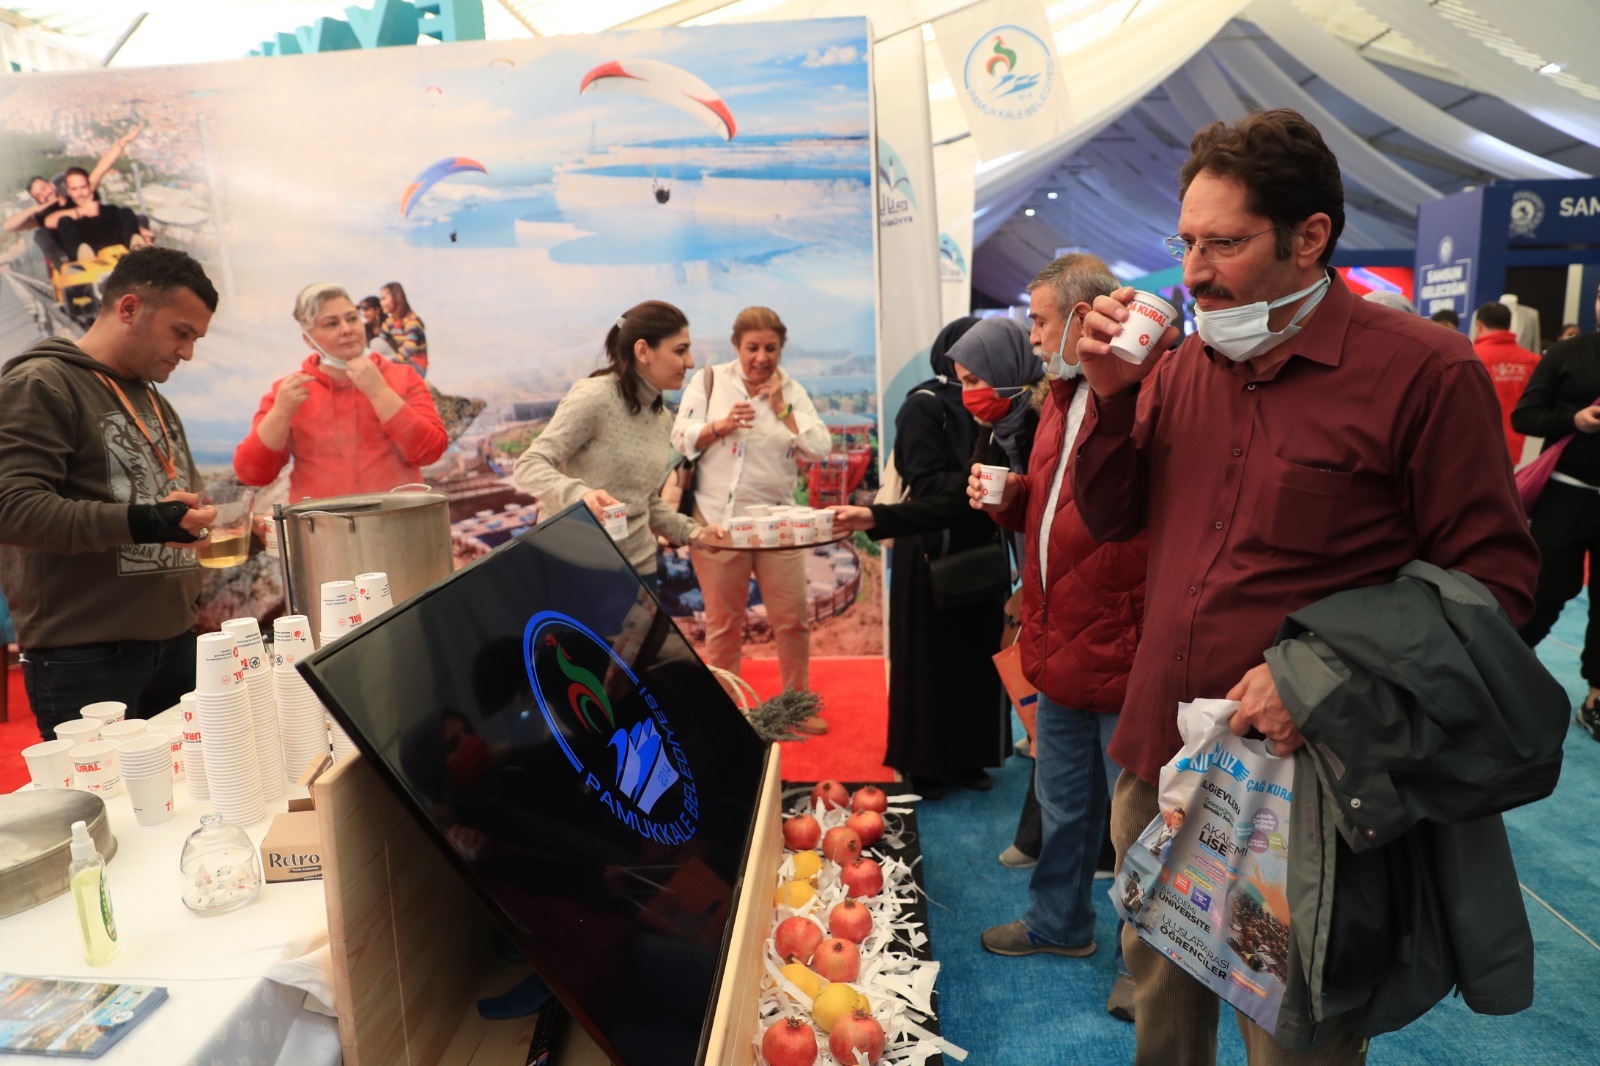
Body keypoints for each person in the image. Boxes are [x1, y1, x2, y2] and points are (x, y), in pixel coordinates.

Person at [1073, 109, 1537, 1064]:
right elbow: (1113, 518)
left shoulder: (1421, 371)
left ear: (1310, 236)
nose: (1194, 272)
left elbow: (1494, 585)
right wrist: (1108, 398)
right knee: (1161, 1017)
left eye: (1224, 244)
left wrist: (1316, 675)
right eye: (1187, 242)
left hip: (1303, 789)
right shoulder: (1182, 367)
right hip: (1160, 757)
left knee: (1295, 1042)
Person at [964, 254, 1147, 1023]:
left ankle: (1146, 966)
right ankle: (1058, 923)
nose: (1031, 337)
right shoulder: (1059, 399)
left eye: (1040, 321)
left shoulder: (1147, 398)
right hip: (1060, 638)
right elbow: (1053, 506)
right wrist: (1012, 499)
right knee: (1063, 803)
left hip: (1123, 644)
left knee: (1139, 824)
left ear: (1081, 318)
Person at [0, 247, 219, 739]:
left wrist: (213, 529)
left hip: (177, 643)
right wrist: (145, 522)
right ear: (129, 308)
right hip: (86, 659)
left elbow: (182, 509)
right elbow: (10, 508)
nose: (187, 352)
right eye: (181, 333)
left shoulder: (154, 399)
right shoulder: (41, 383)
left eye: (195, 339)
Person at [831, 316, 1040, 797]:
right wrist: (875, 517)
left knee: (979, 664)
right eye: (964, 378)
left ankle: (973, 757)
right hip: (932, 554)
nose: (970, 391)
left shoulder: (1039, 417)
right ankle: (926, 763)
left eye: (976, 377)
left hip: (995, 558)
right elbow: (945, 494)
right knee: (929, 668)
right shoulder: (952, 413)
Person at [670, 307, 831, 711]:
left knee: (792, 619)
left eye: (770, 348)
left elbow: (819, 448)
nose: (762, 357)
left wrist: (783, 410)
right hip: (717, 523)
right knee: (723, 624)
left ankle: (797, 705)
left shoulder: (791, 390)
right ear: (736, 346)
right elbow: (680, 436)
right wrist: (720, 426)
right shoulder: (709, 381)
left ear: (781, 348)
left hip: (778, 525)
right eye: (752, 348)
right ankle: (727, 711)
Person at [513, 300, 719, 591]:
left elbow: (643, 501)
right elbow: (529, 464)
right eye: (680, 350)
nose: (690, 362)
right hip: (574, 568)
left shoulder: (661, 419)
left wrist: (693, 533)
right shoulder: (595, 397)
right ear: (643, 351)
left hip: (639, 571)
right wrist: (582, 495)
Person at [232, 283, 448, 503]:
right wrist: (280, 413)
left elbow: (430, 452)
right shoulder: (291, 391)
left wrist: (379, 392)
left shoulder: (403, 376)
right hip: (320, 522)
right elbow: (252, 474)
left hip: (399, 519)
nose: (347, 329)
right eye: (332, 324)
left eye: (352, 319)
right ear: (308, 339)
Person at [1512, 278, 1600, 740]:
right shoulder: (1567, 354)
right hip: (1565, 493)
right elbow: (1524, 415)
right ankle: (1504, 671)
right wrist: (1575, 420)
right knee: (1545, 590)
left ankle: (1596, 697)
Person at [1471, 301, 1540, 464]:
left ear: (1479, 325)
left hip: (1479, 447)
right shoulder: (1534, 361)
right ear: (1509, 325)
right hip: (1525, 450)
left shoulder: (1470, 359)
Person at [378, 281, 428, 378]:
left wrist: (390, 363)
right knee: (376, 343)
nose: (381, 303)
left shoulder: (411, 321)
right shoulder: (389, 323)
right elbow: (381, 340)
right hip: (402, 362)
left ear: (395, 298)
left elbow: (410, 348)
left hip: (416, 366)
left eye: (384, 299)